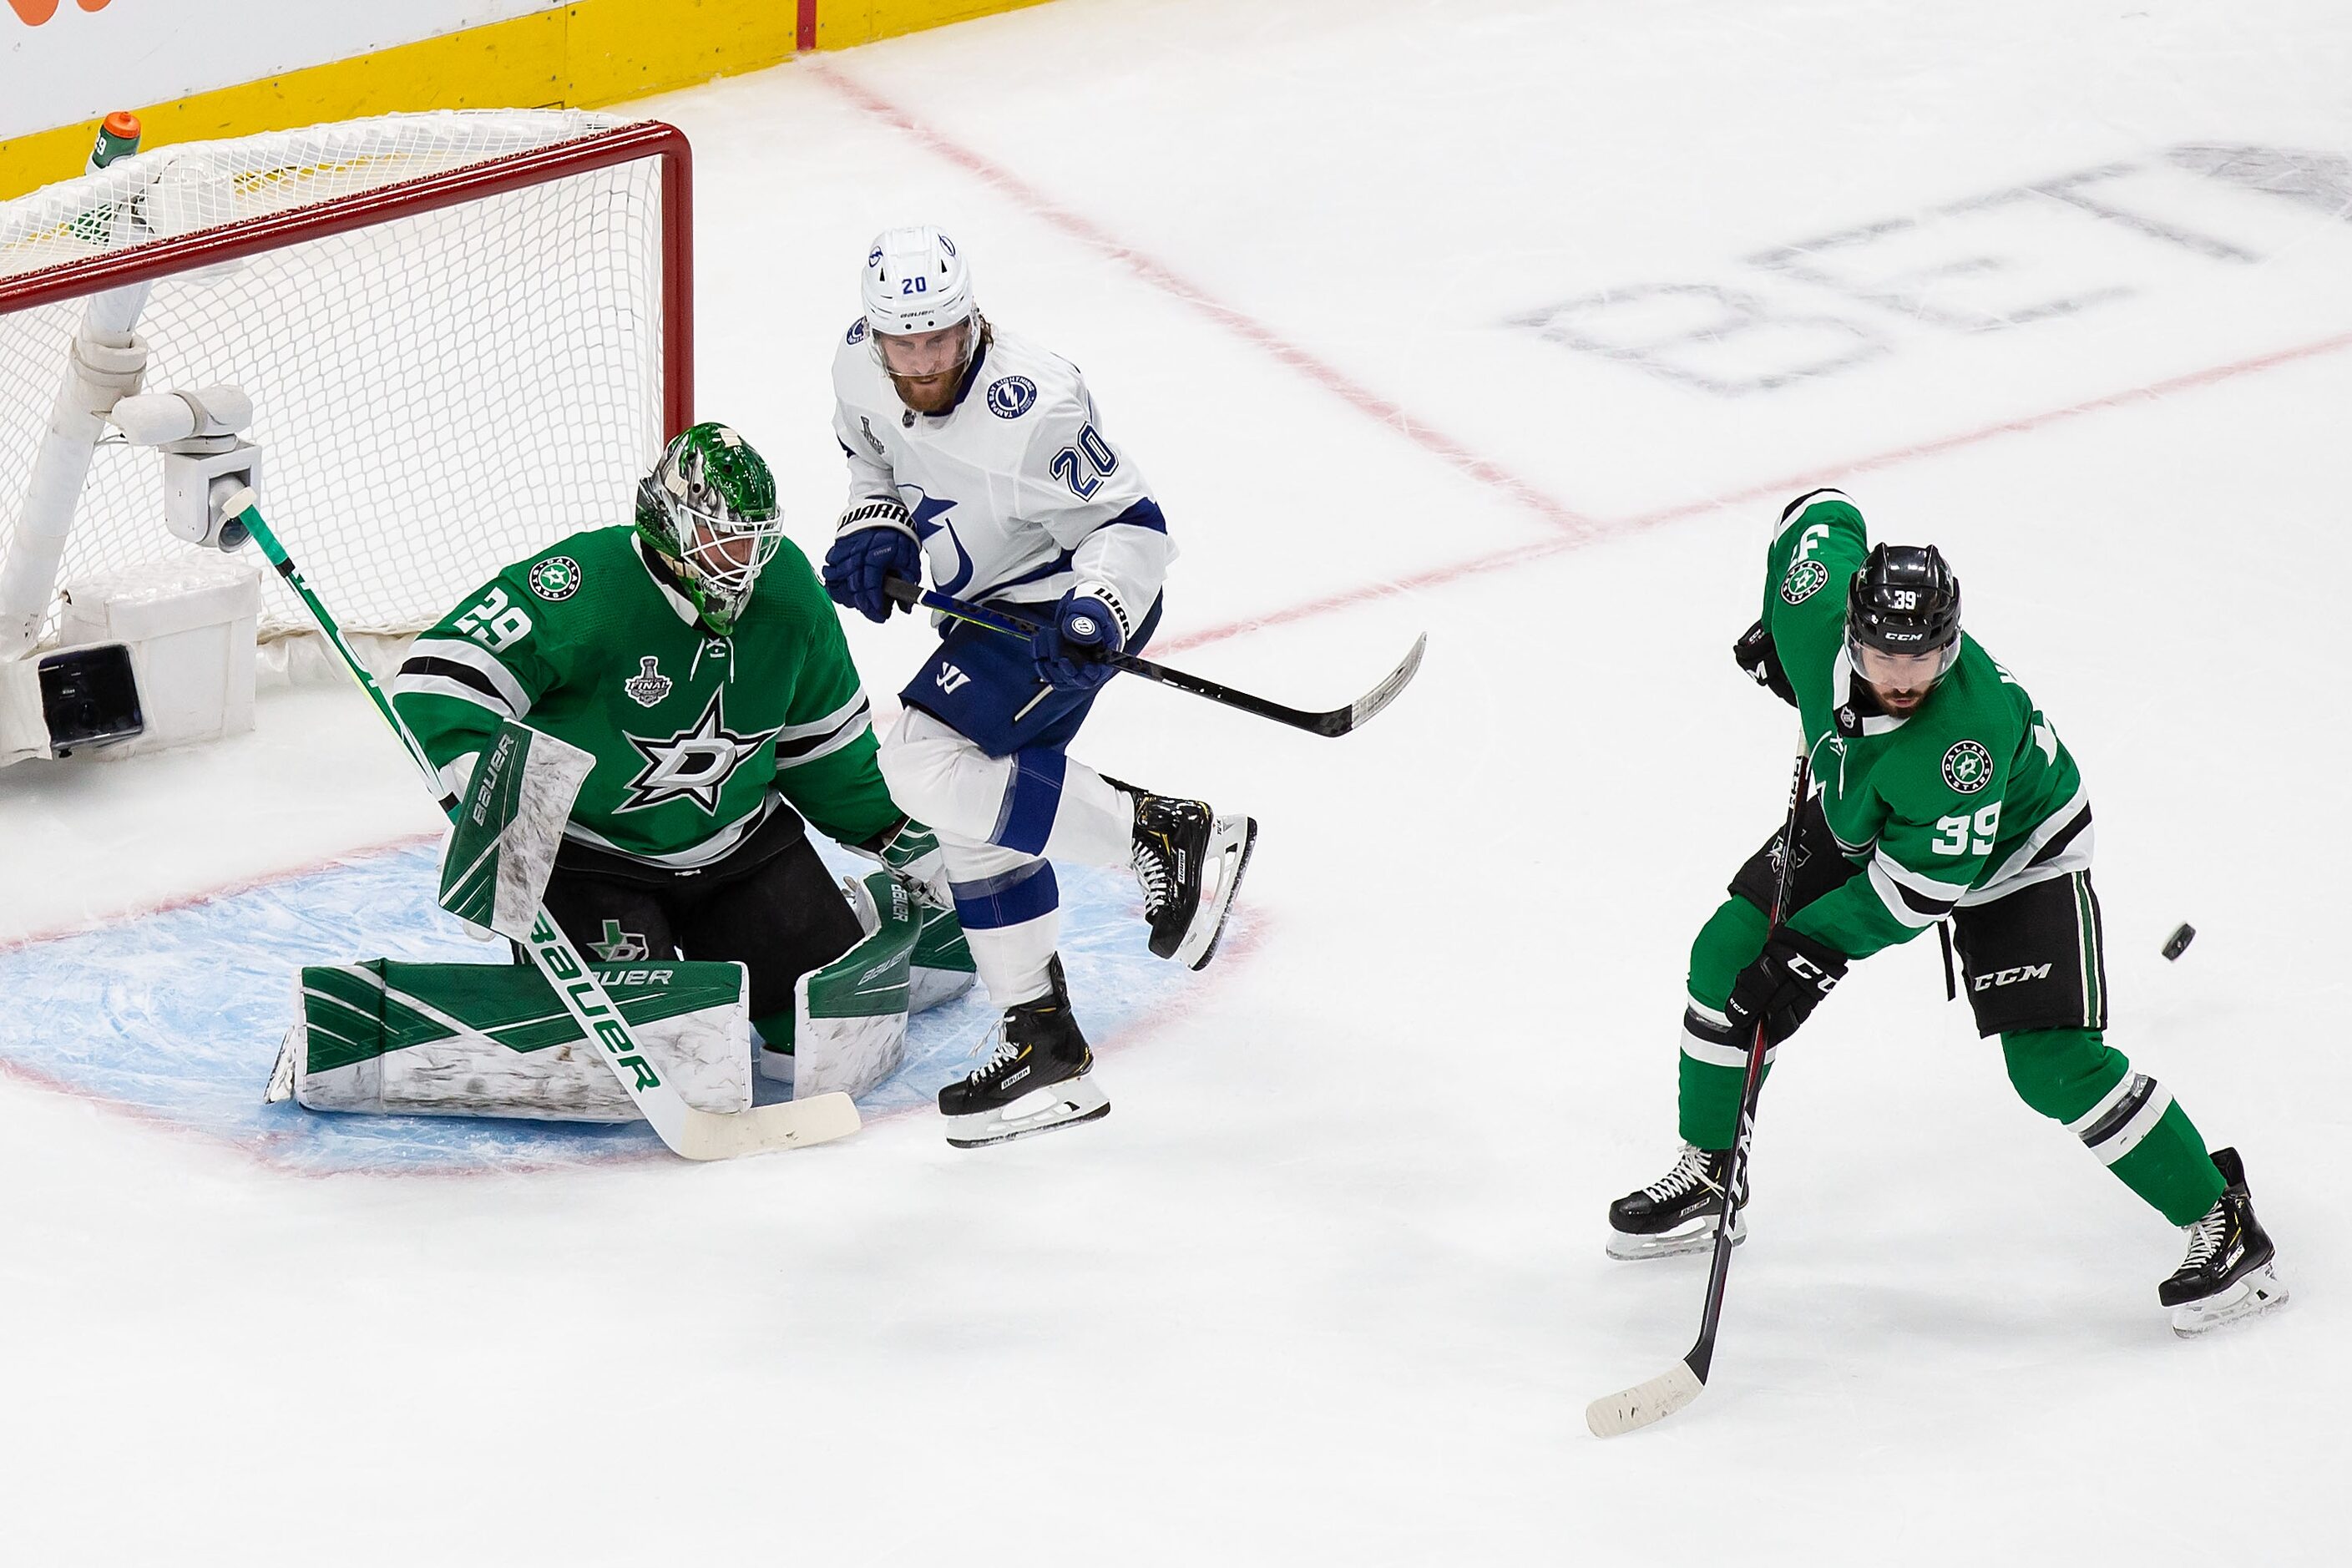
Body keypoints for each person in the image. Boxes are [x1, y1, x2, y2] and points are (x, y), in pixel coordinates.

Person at [1606, 488, 2285, 1336]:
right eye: (1885, 656)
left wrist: (1810, 951)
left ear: (1950, 644)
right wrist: (1777, 635)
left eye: (1924, 656)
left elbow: (1915, 892)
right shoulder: (1814, 607)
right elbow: (1816, 512)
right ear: (1849, 630)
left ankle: (2222, 1226)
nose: (1902, 677)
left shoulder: (1961, 744)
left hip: (2015, 852)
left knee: (2052, 1066)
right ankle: (1710, 1172)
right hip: (1872, 814)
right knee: (1725, 956)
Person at [822, 225, 1255, 1150]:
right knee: (974, 812)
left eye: (940, 338)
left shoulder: (1035, 404)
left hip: (1065, 610)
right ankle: (1045, 1047)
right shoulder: (858, 369)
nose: (925, 360)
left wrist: (1095, 609)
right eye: (906, 344)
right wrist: (876, 524)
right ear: (876, 335)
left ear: (970, 318)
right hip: (981, 613)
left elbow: (1134, 525)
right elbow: (876, 465)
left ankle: (1169, 831)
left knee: (917, 762)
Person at [385, 421, 964, 1085]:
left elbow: (821, 745)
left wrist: (893, 832)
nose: (742, 561)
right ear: (669, 526)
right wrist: (492, 819)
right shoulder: (581, 584)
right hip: (594, 857)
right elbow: (439, 679)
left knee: (828, 1047)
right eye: (722, 539)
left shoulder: (790, 594)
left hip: (742, 847)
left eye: (754, 540)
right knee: (656, 1056)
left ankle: (847, 911)